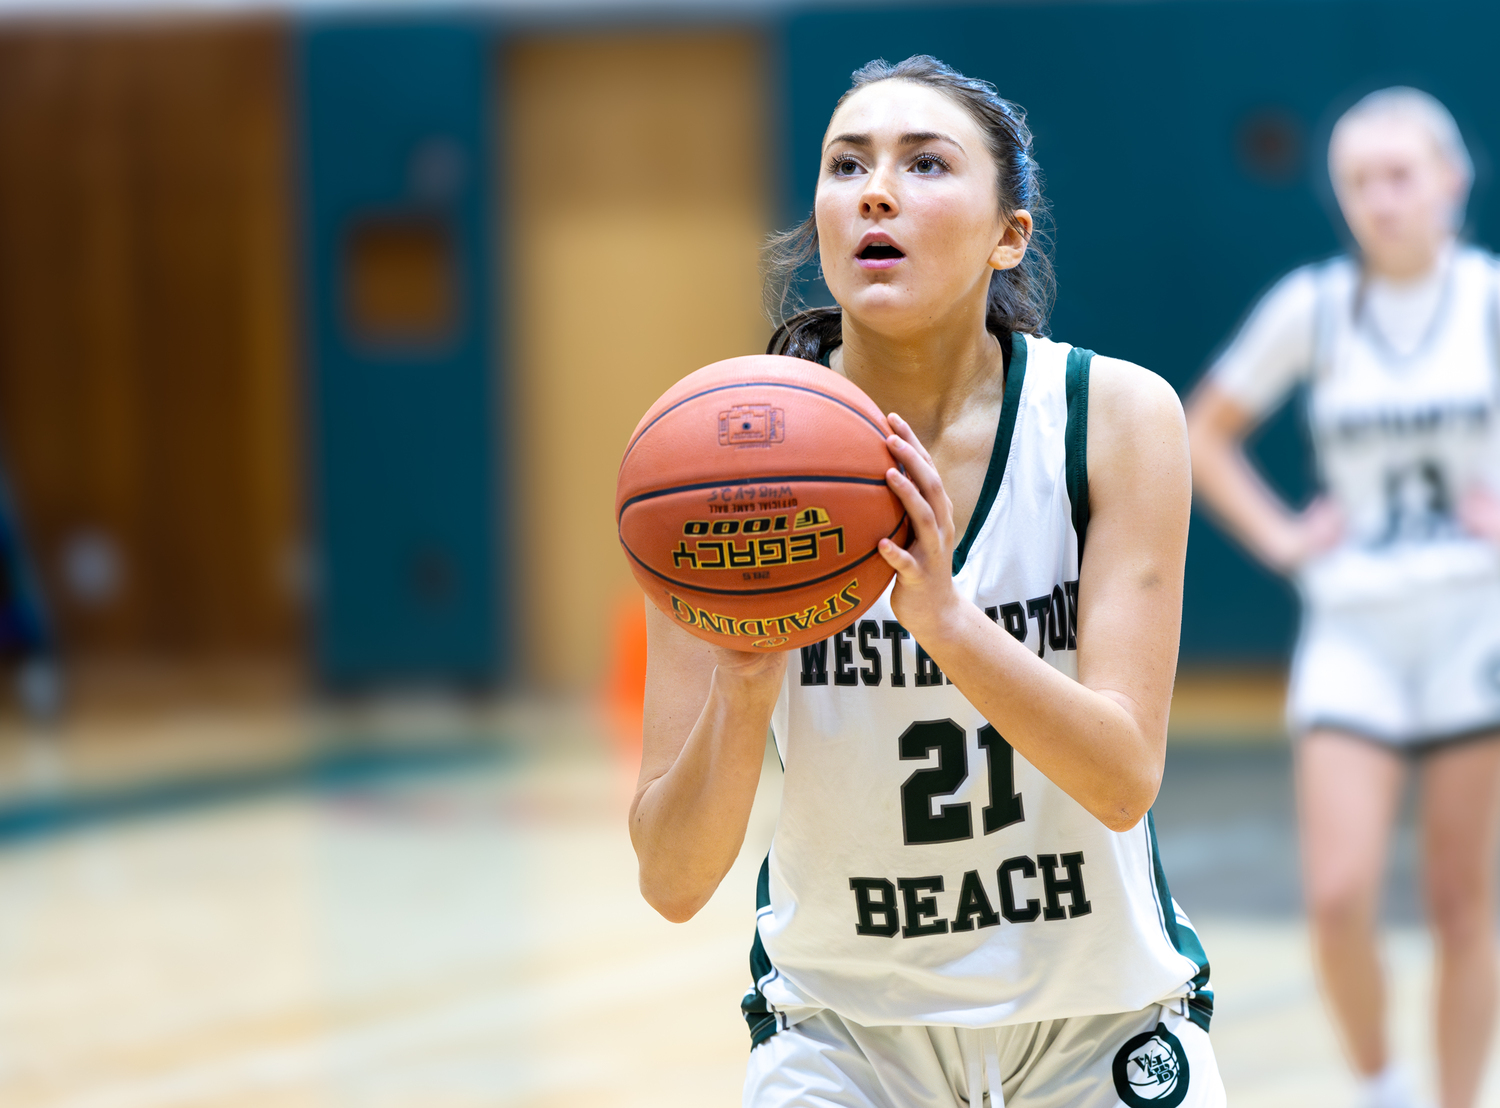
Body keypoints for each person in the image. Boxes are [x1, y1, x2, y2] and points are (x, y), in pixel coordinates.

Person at [631, 55, 1224, 1108]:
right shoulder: (716, 473)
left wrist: (947, 621)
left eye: (926, 162)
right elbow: (672, 882)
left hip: (1097, 1021)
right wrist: (744, 686)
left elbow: (1122, 777)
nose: (875, 188)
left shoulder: (1112, 420)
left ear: (1009, 235)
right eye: (846, 162)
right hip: (844, 1035)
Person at [1187, 88, 1500, 1108]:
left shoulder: (1489, 299)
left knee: (1463, 906)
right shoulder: (1314, 306)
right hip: (1354, 625)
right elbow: (1204, 430)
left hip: (1474, 624)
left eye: (1401, 175)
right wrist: (1283, 538)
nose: (1381, 199)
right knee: (1337, 894)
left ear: (1454, 181)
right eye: (1359, 182)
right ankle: (1382, 1087)